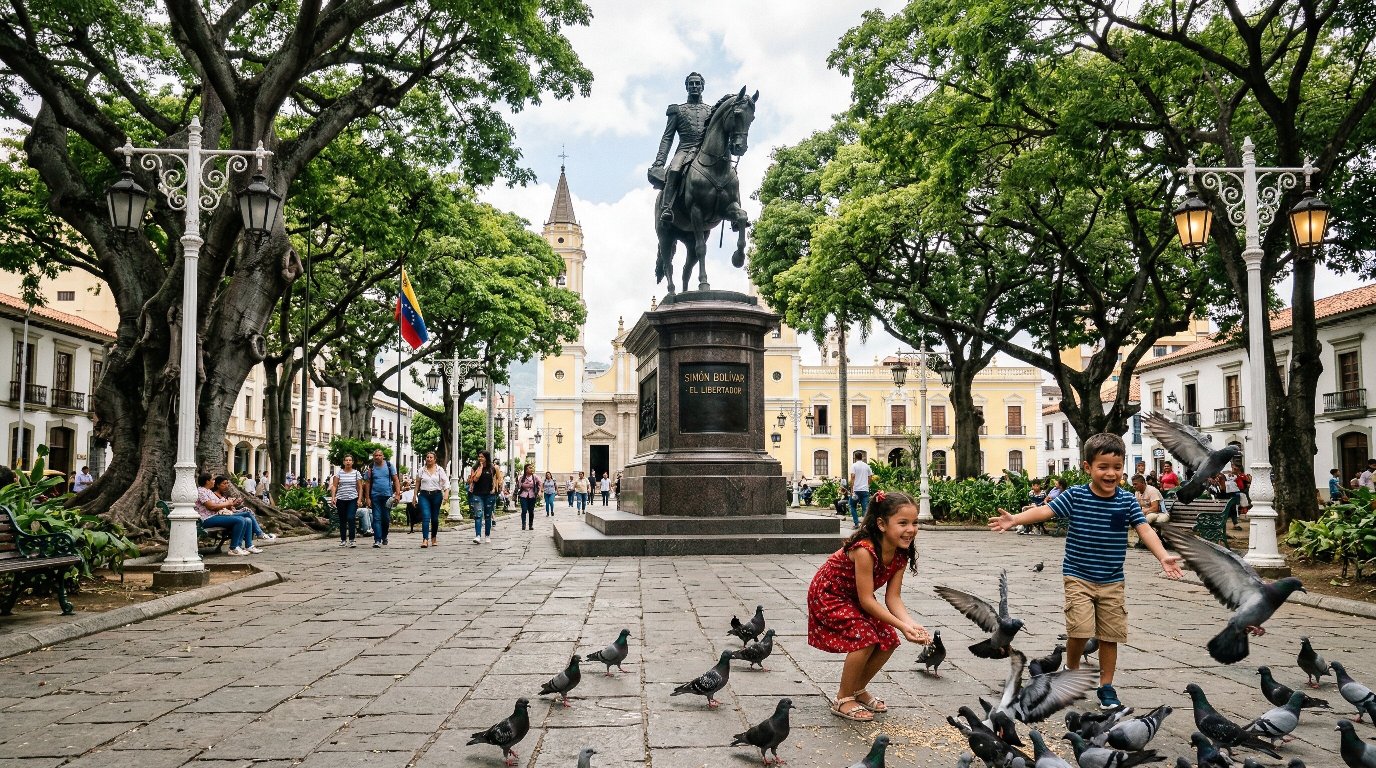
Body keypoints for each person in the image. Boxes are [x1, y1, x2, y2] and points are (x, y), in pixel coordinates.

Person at [989, 433, 1183, 709]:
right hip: (1078, 576)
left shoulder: (1127, 501)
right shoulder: (1076, 495)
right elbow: (1046, 512)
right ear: (1087, 467)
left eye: (1117, 467)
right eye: (1103, 467)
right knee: (1079, 630)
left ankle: (1106, 687)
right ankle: (1071, 671)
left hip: (1112, 580)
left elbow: (1144, 529)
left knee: (1109, 635)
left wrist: (1163, 556)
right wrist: (1015, 519)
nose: (1110, 473)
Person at [807, 490, 928, 722]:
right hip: (829, 594)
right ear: (882, 524)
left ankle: (857, 689)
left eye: (914, 522)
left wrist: (910, 624)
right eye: (903, 523)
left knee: (888, 639)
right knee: (864, 637)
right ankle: (843, 698)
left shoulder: (901, 554)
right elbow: (866, 600)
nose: (911, 529)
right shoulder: (865, 550)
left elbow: (893, 598)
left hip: (855, 597)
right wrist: (903, 625)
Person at [196, 473, 255, 556]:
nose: (214, 481)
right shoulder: (201, 491)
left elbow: (220, 504)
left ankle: (238, 546)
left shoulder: (209, 491)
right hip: (207, 519)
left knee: (246, 519)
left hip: (216, 516)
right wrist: (227, 503)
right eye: (212, 479)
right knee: (240, 520)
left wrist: (232, 503)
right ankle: (233, 548)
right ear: (207, 481)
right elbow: (211, 506)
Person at [213, 476, 274, 546]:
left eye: (227, 483)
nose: (227, 485)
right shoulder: (213, 495)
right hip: (222, 516)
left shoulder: (223, 495)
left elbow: (229, 508)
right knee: (245, 516)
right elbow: (217, 508)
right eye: (224, 483)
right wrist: (230, 504)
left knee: (248, 520)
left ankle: (248, 545)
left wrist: (234, 504)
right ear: (217, 485)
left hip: (229, 513)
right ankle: (258, 533)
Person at [363, 449, 399, 548]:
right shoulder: (370, 467)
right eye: (376, 455)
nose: (377, 457)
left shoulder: (389, 465)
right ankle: (377, 540)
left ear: (383, 456)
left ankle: (384, 536)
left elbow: (395, 480)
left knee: (386, 518)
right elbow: (367, 482)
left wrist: (397, 494)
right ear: (373, 457)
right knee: (377, 518)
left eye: (379, 455)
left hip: (387, 496)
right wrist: (367, 498)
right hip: (375, 496)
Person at [414, 452, 447, 547]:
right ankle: (425, 539)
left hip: (436, 495)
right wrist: (414, 496)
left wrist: (446, 494)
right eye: (427, 457)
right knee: (425, 517)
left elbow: (446, 483)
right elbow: (417, 485)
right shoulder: (421, 470)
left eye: (431, 457)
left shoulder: (440, 470)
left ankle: (434, 537)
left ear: (435, 459)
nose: (429, 459)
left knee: (435, 519)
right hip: (424, 495)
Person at [468, 450, 501, 544]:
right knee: (478, 515)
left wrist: (496, 487)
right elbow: (475, 479)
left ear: (486, 457)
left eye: (482, 457)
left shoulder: (492, 468)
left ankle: (487, 535)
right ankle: (478, 535)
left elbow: (499, 478)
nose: (480, 458)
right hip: (477, 494)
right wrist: (481, 468)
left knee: (487, 515)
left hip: (489, 495)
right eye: (479, 457)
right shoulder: (475, 467)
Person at [331, 454, 362, 548]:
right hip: (341, 499)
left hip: (352, 498)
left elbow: (360, 487)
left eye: (350, 460)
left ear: (352, 462)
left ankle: (352, 539)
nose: (348, 462)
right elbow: (334, 486)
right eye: (346, 460)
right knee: (342, 520)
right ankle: (343, 539)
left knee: (351, 517)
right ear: (344, 462)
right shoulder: (339, 473)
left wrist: (359, 499)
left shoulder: (356, 473)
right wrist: (333, 497)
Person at [848, 451, 873, 530]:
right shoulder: (866, 466)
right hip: (865, 490)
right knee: (865, 508)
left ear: (855, 457)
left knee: (852, 506)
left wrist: (852, 488)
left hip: (856, 490)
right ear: (862, 457)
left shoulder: (854, 466)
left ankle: (856, 523)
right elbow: (870, 477)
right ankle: (864, 525)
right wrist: (868, 485)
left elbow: (852, 477)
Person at [516, 464, 540, 531]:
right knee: (524, 510)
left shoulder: (535, 477)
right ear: (526, 469)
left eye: (532, 468)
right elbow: (519, 485)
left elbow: (540, 484)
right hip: (523, 495)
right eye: (530, 468)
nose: (531, 469)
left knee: (531, 511)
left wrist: (539, 491)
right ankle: (523, 524)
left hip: (532, 496)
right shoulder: (521, 477)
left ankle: (530, 524)